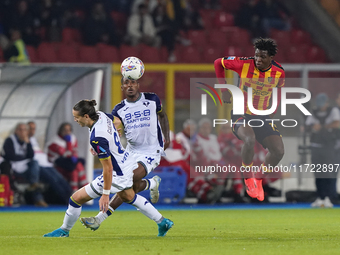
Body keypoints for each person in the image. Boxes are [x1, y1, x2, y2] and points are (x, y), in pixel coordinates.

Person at [43, 100, 173, 237]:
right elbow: (117, 121)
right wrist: (108, 140)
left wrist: (105, 194)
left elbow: (108, 168)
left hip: (117, 172)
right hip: (127, 162)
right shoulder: (100, 115)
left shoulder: (97, 138)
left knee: (76, 199)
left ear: (86, 116)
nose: (75, 120)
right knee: (128, 195)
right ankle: (162, 221)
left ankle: (64, 230)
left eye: (77, 117)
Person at [79, 76, 170, 231]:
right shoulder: (119, 109)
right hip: (131, 151)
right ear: (122, 87)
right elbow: (113, 128)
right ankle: (152, 184)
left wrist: (167, 138)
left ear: (138, 85)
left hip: (151, 150)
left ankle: (99, 219)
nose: (130, 86)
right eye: (126, 83)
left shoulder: (152, 99)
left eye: (133, 82)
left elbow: (162, 116)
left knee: (130, 180)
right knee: (126, 187)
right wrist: (100, 144)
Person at [214, 37, 285, 201]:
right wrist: (224, 87)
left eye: (263, 56)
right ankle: (248, 176)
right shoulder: (244, 64)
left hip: (262, 116)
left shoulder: (279, 72)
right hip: (241, 113)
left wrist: (274, 108)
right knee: (249, 139)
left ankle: (258, 179)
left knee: (279, 151)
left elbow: (279, 89)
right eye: (257, 55)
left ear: (271, 58)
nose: (258, 59)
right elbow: (219, 62)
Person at [305, 93, 340, 208]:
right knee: (318, 172)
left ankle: (331, 197)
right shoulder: (314, 112)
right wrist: (312, 128)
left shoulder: (333, 111)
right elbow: (306, 126)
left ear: (327, 103)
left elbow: (337, 123)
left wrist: (323, 127)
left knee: (329, 172)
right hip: (316, 146)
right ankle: (321, 197)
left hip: (329, 147)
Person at [1, 123, 47, 206]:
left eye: (24, 130)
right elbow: (9, 156)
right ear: (16, 131)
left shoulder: (27, 141)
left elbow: (31, 156)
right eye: (20, 130)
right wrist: (22, 157)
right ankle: (14, 195)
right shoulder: (10, 140)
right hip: (13, 167)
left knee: (35, 164)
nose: (22, 132)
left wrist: (28, 144)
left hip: (23, 166)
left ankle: (37, 194)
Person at [28, 121, 72, 204]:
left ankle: (72, 199)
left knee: (61, 179)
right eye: (30, 128)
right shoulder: (25, 140)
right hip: (39, 166)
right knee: (54, 180)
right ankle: (67, 200)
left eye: (33, 129)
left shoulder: (33, 139)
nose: (32, 131)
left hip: (46, 164)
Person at [47, 122, 87, 192]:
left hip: (68, 163)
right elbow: (65, 155)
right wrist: (68, 143)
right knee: (76, 165)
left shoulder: (73, 138)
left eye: (69, 130)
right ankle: (85, 185)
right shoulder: (54, 142)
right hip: (57, 163)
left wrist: (74, 156)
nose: (67, 132)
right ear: (60, 131)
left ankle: (74, 191)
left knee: (75, 169)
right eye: (65, 130)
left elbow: (75, 151)